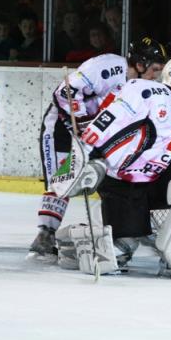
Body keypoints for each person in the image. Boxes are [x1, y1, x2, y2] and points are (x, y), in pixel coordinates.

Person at [52, 56, 171, 280]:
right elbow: (110, 120)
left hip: (155, 181)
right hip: (121, 184)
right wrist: (88, 155)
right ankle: (78, 243)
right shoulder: (148, 92)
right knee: (121, 249)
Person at [26, 52, 129, 261]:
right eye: (154, 69)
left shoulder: (141, 88)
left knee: (109, 180)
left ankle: (111, 236)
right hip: (62, 127)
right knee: (60, 182)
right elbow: (65, 91)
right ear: (141, 63)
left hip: (96, 134)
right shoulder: (113, 65)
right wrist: (82, 123)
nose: (155, 75)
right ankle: (45, 234)